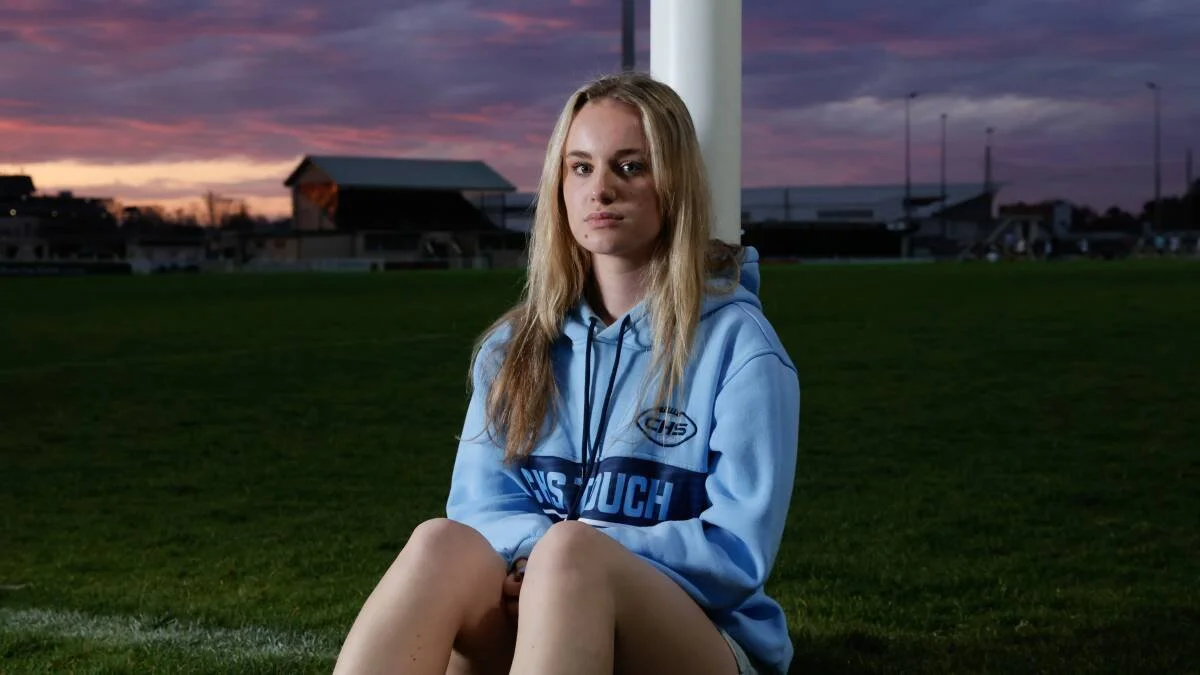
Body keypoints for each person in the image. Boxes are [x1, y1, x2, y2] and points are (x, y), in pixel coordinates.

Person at [332, 72, 801, 675]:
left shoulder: (740, 348)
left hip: (697, 637)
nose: (600, 189)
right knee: (439, 542)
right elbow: (478, 507)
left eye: (630, 167)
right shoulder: (513, 346)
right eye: (580, 168)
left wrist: (566, 555)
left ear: (675, 182)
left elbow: (736, 552)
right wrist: (537, 561)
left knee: (573, 553)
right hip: (536, 607)